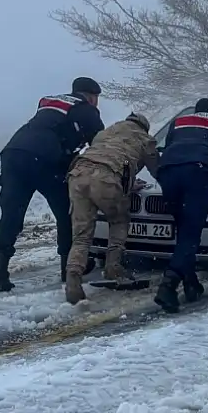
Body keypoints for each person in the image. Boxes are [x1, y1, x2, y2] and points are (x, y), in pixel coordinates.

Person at [0, 77, 104, 292]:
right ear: (91, 96)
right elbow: (101, 143)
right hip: (45, 159)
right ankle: (68, 268)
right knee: (66, 211)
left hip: (13, 153)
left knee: (11, 214)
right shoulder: (86, 109)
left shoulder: (50, 101)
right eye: (97, 98)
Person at [152, 98, 208, 313]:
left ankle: (191, 283)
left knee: (184, 232)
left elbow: (168, 146)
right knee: (191, 233)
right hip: (198, 173)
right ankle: (168, 285)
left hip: (168, 173)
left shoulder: (179, 121)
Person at [64, 112, 160, 305]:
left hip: (78, 173)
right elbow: (157, 170)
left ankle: (73, 278)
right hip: (107, 178)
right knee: (118, 220)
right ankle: (113, 267)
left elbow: (104, 157)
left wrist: (126, 181)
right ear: (144, 127)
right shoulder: (145, 139)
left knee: (82, 234)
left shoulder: (105, 132)